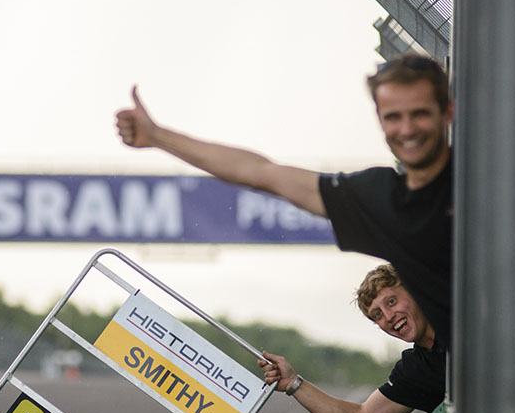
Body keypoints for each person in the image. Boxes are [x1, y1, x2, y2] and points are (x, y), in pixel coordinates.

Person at [115, 52, 455, 352]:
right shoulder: (380, 197)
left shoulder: (477, 180)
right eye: (393, 117)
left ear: (448, 112)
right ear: (381, 121)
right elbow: (260, 172)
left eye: (419, 114)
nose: (407, 129)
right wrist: (158, 136)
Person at [258, 264, 446, 413]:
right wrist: (293, 383)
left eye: (391, 301)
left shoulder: (456, 313)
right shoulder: (417, 369)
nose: (389, 316)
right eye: (378, 315)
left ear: (413, 291)